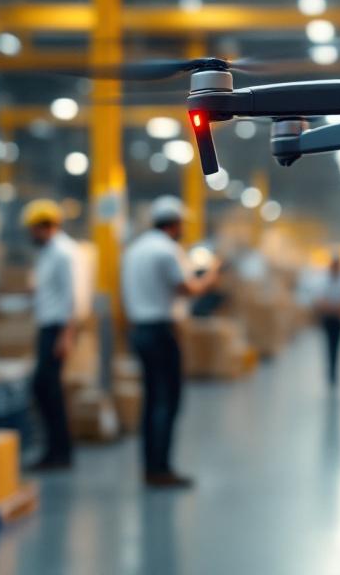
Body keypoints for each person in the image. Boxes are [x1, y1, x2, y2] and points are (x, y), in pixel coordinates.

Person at [121, 196, 219, 488]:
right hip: (161, 331)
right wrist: (210, 278)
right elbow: (187, 288)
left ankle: (150, 466)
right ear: (175, 224)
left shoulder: (134, 249)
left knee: (152, 400)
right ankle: (161, 469)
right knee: (167, 400)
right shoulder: (168, 250)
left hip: (139, 329)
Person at [21, 199, 78, 471]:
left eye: (33, 229)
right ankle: (55, 452)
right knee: (45, 390)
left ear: (44, 226)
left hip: (57, 329)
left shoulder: (64, 253)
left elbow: (71, 296)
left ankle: (59, 454)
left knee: (46, 389)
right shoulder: (48, 252)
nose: (31, 234)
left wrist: (66, 336)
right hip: (47, 326)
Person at [307, 255, 340, 390]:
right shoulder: (323, 281)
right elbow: (318, 298)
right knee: (328, 345)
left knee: (338, 345)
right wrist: (328, 307)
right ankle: (330, 372)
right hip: (328, 317)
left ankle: (335, 372)